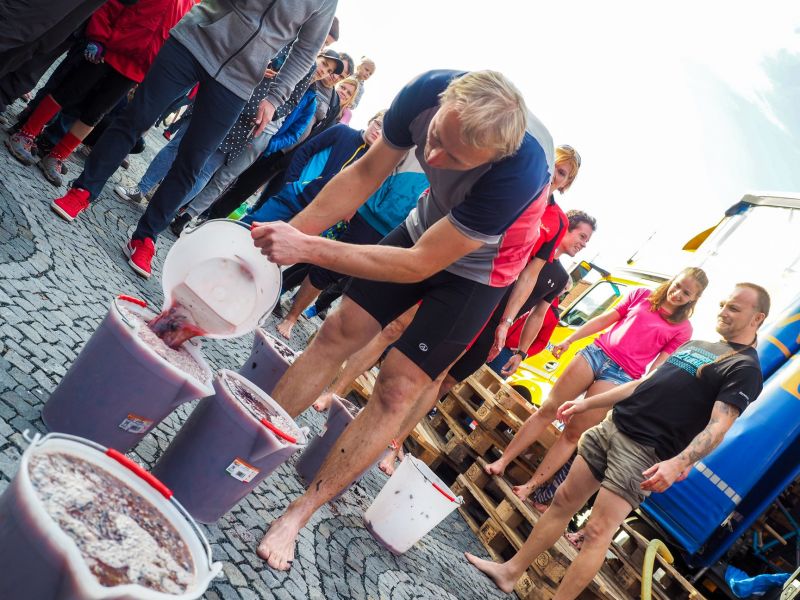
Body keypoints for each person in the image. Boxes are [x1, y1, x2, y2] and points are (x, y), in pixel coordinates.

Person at [250, 69, 554, 570]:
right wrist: (279, 241)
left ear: (492, 157)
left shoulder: (519, 172)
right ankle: (249, 446)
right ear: (446, 100)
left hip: (480, 274)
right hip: (423, 226)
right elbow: (364, 175)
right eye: (435, 137)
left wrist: (307, 248)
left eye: (455, 158)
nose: (432, 157)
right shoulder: (425, 90)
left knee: (396, 388)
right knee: (338, 330)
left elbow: (419, 265)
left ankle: (299, 514)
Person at [466, 283, 769, 599]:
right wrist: (587, 404)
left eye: (734, 308)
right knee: (562, 502)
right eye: (723, 304)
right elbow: (643, 383)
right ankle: (510, 572)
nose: (723, 311)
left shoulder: (744, 368)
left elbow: (719, 426)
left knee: (597, 532)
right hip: (613, 426)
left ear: (757, 318)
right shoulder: (697, 345)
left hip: (644, 452)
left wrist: (680, 462)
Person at [49, 0, 337, 276]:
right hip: (193, 41)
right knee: (136, 118)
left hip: (240, 79)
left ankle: (145, 237)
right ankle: (83, 190)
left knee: (193, 160)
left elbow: (306, 51)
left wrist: (274, 98)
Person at [485, 266, 710, 506]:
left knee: (573, 433)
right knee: (548, 409)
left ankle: (530, 486)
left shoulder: (683, 329)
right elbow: (604, 320)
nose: (677, 294)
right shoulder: (643, 295)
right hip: (596, 353)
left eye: (686, 293)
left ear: (694, 298)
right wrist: (570, 339)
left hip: (621, 376)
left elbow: (658, 368)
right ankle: (502, 462)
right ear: (672, 280)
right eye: (677, 286)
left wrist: (639, 392)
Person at [6, 0, 194, 187]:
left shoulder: (190, 5)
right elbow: (112, 4)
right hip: (108, 49)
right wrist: (99, 37)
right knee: (67, 92)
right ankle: (26, 133)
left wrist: (148, 74)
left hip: (134, 70)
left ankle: (57, 155)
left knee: (95, 114)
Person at [275, 145, 428, 339]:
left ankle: (316, 327)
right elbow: (377, 167)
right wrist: (354, 203)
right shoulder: (419, 139)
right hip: (371, 215)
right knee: (328, 266)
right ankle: (291, 316)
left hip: (406, 231)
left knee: (356, 286)